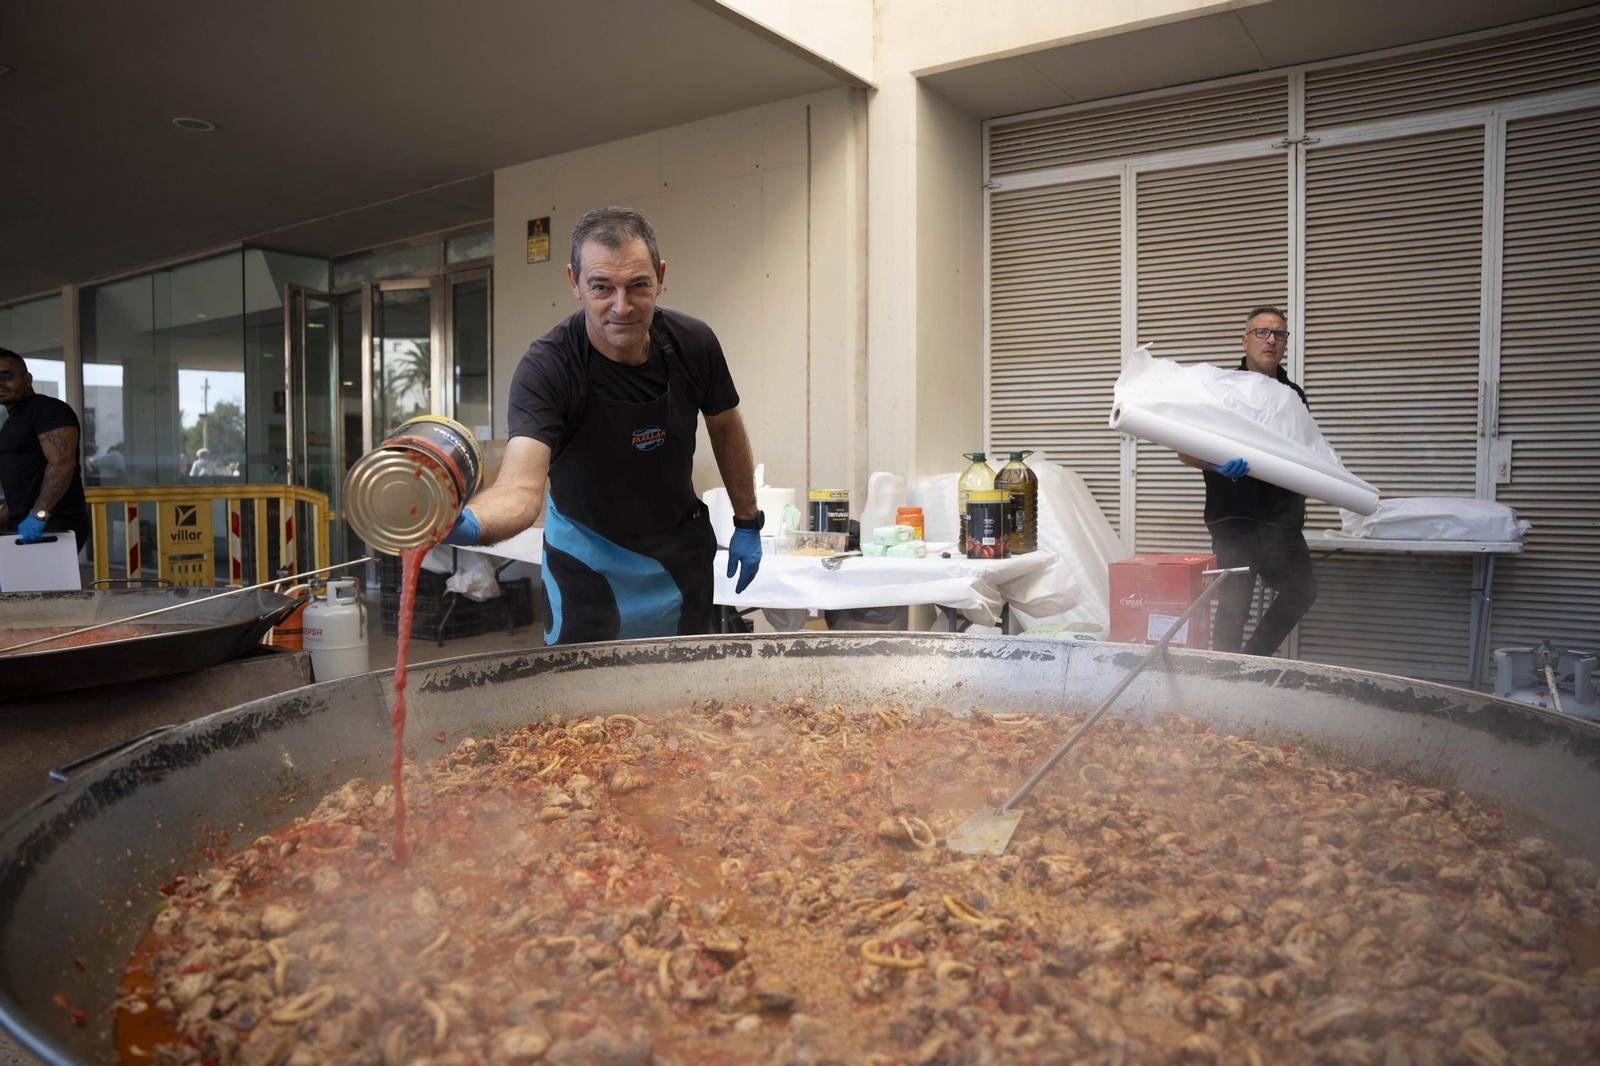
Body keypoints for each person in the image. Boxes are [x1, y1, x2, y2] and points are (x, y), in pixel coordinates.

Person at [441, 207, 763, 644]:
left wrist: (747, 521)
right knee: (581, 709)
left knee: (687, 702)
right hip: (587, 563)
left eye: (638, 286)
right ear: (574, 282)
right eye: (601, 288)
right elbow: (520, 488)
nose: (622, 306)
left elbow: (725, 427)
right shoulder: (548, 368)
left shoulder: (693, 343)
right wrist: (465, 522)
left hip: (677, 558)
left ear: (661, 276)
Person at [1178, 307, 1318, 657]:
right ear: (1245, 340)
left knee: (1303, 590)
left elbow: (1306, 453)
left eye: (1280, 334)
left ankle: (1252, 662)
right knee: (1233, 608)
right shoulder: (1224, 390)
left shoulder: (1293, 396)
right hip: (1233, 519)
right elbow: (1184, 450)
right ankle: (1219, 685)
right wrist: (1215, 464)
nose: (1271, 339)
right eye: (1262, 332)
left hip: (1281, 521)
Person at [0, 347, 91, 551]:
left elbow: (62, 463)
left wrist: (39, 515)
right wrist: (6, 513)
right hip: (26, 524)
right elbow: (23, 478)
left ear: (28, 379)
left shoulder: (48, 410)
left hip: (54, 523)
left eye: (6, 376)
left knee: (46, 584)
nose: (0, 383)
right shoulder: (12, 421)